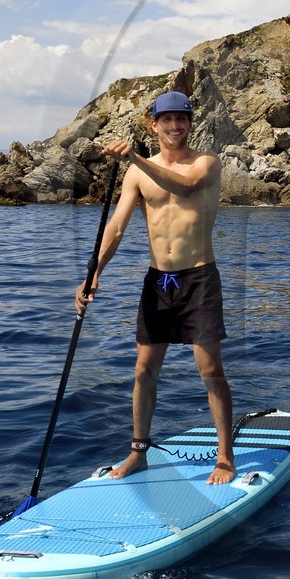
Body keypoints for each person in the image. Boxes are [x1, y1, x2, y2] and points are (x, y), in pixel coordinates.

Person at [76, 90, 235, 484]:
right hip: (158, 281)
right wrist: (94, 272)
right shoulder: (136, 173)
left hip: (199, 277)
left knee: (211, 370)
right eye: (167, 120)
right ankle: (139, 453)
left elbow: (183, 188)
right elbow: (115, 227)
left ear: (190, 123)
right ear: (154, 124)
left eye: (182, 119)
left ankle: (225, 457)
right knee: (144, 371)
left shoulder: (206, 163)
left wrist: (134, 158)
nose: (175, 126)